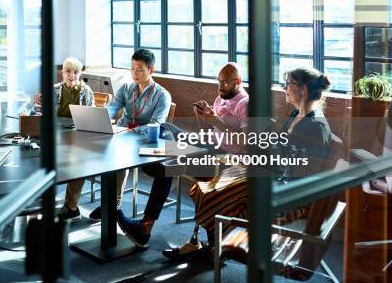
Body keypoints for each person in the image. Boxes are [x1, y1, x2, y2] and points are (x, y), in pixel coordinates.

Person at [178, 67, 332, 261]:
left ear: (304, 90)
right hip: (278, 178)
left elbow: (298, 172)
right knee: (216, 184)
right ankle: (214, 244)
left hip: (289, 194)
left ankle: (219, 246)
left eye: (289, 84)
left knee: (217, 191)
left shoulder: (314, 126)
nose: (284, 88)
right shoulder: (296, 115)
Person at [163, 62, 250, 260]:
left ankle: (204, 241)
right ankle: (208, 241)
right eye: (218, 82)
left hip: (233, 159)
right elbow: (210, 132)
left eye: (225, 83)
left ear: (238, 82)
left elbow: (247, 142)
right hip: (214, 149)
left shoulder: (245, 104)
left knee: (200, 181)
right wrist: (202, 118)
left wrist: (215, 120)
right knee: (172, 135)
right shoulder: (221, 98)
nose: (220, 87)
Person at [96, 49, 172, 244]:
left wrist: (129, 130)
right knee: (104, 155)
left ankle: (145, 226)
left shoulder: (162, 95)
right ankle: (110, 206)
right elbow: (113, 108)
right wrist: (102, 116)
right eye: (132, 68)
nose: (134, 73)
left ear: (151, 70)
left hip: (144, 147)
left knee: (167, 171)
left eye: (139, 69)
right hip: (121, 141)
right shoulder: (126, 89)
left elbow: (155, 125)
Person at [36, 57, 94, 221]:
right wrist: (38, 105)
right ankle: (38, 198)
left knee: (78, 161)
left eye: (76, 72)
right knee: (38, 155)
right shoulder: (54, 90)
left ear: (80, 74)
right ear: (62, 73)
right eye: (68, 71)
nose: (72, 75)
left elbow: (91, 117)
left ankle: (71, 206)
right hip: (56, 132)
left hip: (77, 133)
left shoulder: (86, 91)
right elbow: (41, 113)